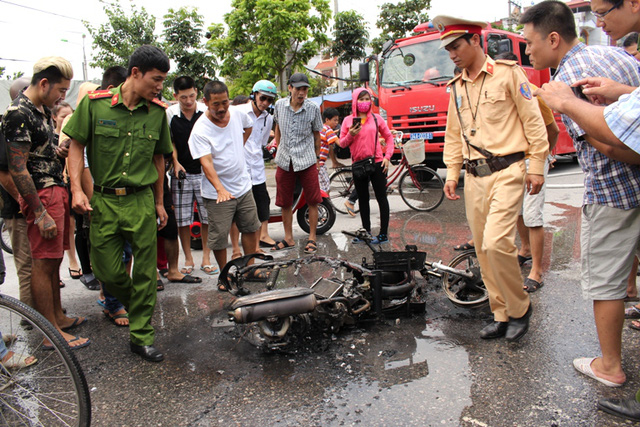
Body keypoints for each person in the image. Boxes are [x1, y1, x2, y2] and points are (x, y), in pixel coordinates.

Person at [521, 0, 640, 388]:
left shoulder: (564, 82)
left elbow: (609, 145)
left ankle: (609, 366)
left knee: (605, 283)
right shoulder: (618, 55)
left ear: (553, 38)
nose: (527, 50)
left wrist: (569, 105)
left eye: (530, 42)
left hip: (612, 191)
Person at [436, 15, 548, 342]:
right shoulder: (456, 88)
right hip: (474, 177)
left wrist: (537, 164)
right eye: (447, 49)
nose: (452, 54)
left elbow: (533, 121)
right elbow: (453, 134)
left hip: (509, 170)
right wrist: (452, 172)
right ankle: (501, 314)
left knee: (497, 243)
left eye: (456, 46)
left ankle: (520, 307)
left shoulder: (509, 74)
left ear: (475, 40)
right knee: (483, 252)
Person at [65, 45, 173, 362]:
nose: (160, 86)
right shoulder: (94, 105)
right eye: (156, 79)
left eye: (163, 81)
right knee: (106, 270)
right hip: (105, 200)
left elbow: (158, 158)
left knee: (145, 273)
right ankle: (140, 305)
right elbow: (76, 146)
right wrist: (77, 190)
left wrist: (159, 202)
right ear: (135, 73)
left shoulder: (156, 112)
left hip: (140, 200)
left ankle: (141, 336)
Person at [2, 57, 90, 349]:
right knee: (42, 263)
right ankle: (49, 331)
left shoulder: (40, 110)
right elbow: (18, 168)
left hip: (54, 189)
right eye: (61, 90)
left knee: (53, 262)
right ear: (43, 83)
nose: (63, 96)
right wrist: (39, 212)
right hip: (41, 194)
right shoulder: (18, 112)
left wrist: (58, 149)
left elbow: (39, 151)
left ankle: (57, 318)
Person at [494, 51, 560, 293]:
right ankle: (525, 250)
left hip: (533, 161)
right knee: (519, 211)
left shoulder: (531, 92)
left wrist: (544, 158)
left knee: (532, 215)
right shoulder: (496, 92)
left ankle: (537, 271)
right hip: (512, 162)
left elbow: (553, 131)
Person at [188, 80, 261, 289]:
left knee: (250, 227)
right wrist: (220, 189)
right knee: (219, 237)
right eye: (215, 105)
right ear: (205, 102)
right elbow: (206, 162)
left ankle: (250, 269)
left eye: (224, 103)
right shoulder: (200, 129)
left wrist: (240, 145)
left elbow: (248, 127)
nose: (221, 109)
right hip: (216, 193)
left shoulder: (238, 114)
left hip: (243, 185)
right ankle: (225, 275)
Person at [166, 76, 216, 275]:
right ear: (175, 96)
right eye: (183, 97)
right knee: (182, 219)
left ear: (197, 92)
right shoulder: (170, 114)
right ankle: (187, 258)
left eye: (192, 96)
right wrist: (175, 162)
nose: (188, 101)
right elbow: (171, 143)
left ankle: (206, 257)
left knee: (206, 218)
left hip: (204, 172)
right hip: (181, 174)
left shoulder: (205, 113)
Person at [271, 72, 323, 254]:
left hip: (307, 160)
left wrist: (317, 158)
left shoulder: (313, 108)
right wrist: (278, 148)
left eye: (305, 89)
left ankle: (312, 238)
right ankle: (288, 238)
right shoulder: (279, 106)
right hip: (285, 160)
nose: (302, 93)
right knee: (284, 201)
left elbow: (317, 135)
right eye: (298, 89)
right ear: (290, 88)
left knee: (313, 200)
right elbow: (277, 127)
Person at [230, 79, 278, 258]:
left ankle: (256, 246)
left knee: (260, 208)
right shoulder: (238, 112)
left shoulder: (269, 117)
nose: (265, 103)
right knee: (235, 213)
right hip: (239, 169)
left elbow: (263, 142)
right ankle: (235, 250)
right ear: (254, 94)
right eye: (263, 98)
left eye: (269, 100)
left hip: (257, 170)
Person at [338, 88, 394, 244]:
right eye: (361, 99)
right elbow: (342, 144)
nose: (364, 102)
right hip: (358, 165)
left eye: (366, 99)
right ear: (355, 101)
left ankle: (383, 235)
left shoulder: (376, 119)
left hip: (377, 163)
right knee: (363, 200)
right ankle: (366, 232)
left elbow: (389, 138)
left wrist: (387, 157)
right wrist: (351, 134)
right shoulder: (348, 121)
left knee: (381, 198)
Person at [0, 77, 33, 309]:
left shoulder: (31, 119)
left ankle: (46, 314)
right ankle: (33, 317)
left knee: (41, 263)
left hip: (33, 206)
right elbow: (4, 173)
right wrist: (25, 201)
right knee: (27, 266)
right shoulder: (10, 123)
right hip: (19, 211)